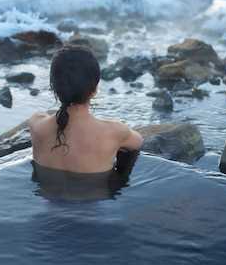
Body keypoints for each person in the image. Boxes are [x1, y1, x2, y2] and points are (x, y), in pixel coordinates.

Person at [28, 45, 143, 175]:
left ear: (53, 87)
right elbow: (138, 142)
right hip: (99, 194)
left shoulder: (36, 124)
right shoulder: (115, 132)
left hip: (44, 194)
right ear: (94, 90)